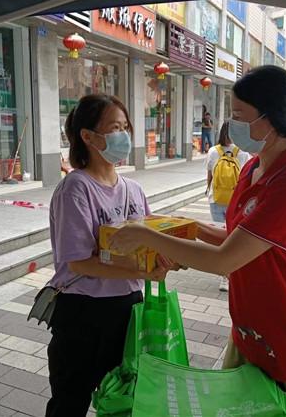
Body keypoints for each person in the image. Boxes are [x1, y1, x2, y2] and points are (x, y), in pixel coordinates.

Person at [110, 66, 286, 417]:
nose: (232, 124)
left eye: (239, 115)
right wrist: (189, 228)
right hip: (247, 332)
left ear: (272, 118)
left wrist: (146, 235)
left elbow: (224, 260)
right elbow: (240, 240)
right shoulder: (253, 168)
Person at [45, 94, 167, 417]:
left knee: (122, 400)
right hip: (83, 313)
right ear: (87, 136)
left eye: (125, 127)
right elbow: (79, 261)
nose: (123, 135)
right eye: (114, 128)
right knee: (70, 402)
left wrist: (166, 256)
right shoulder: (76, 188)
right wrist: (142, 270)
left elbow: (150, 240)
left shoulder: (133, 189)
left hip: (127, 309)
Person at [206, 121, 251, 291]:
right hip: (236, 201)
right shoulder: (243, 153)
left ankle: (224, 276)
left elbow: (209, 174)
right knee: (233, 237)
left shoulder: (213, 151)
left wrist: (208, 189)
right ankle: (231, 273)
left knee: (220, 238)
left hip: (216, 198)